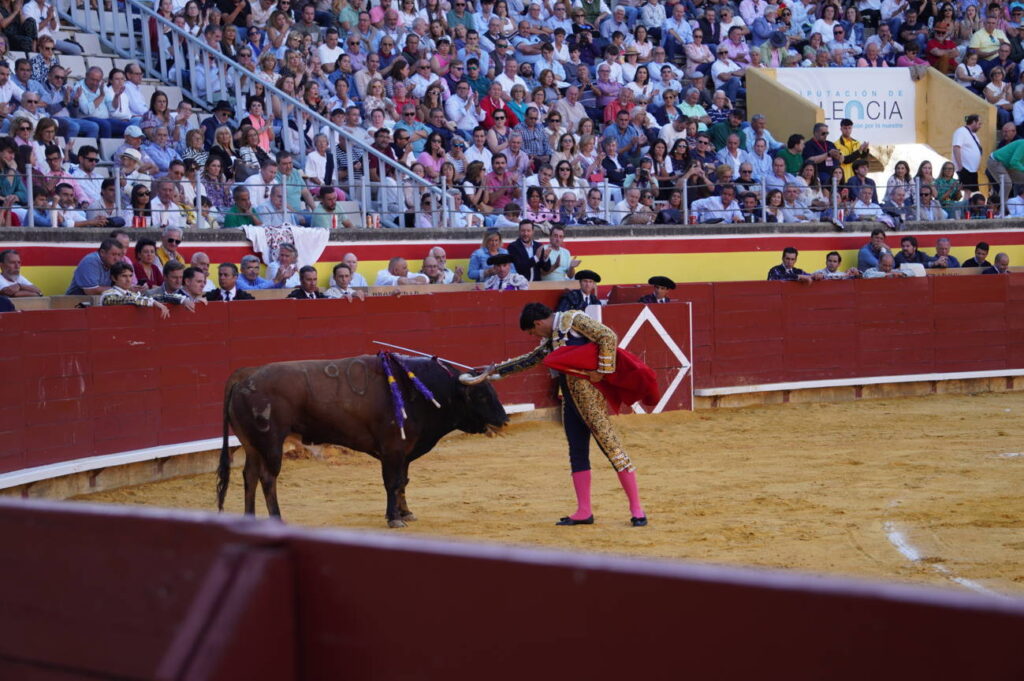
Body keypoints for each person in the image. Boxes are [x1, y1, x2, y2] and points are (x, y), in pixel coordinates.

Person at [463, 302, 649, 526]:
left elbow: (607, 335)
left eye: (532, 331)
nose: (535, 335)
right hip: (569, 401)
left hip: (591, 400)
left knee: (612, 448)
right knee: (577, 452)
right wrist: (494, 372)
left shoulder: (574, 319)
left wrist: (603, 371)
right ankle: (583, 511)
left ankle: (637, 510)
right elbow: (532, 359)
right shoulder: (552, 337)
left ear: (538, 323)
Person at [100, 262, 172, 318]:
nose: (128, 280)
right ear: (113, 278)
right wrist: (153, 302)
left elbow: (160, 296)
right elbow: (126, 300)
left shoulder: (132, 294)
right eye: (124, 276)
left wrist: (182, 299)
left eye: (130, 276)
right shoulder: (107, 295)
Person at [952, 114, 983, 191]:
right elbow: (956, 148)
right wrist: (960, 167)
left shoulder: (973, 134)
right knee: (967, 192)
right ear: (973, 122)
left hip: (972, 170)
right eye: (979, 123)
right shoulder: (961, 132)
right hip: (965, 169)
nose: (980, 126)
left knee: (972, 193)